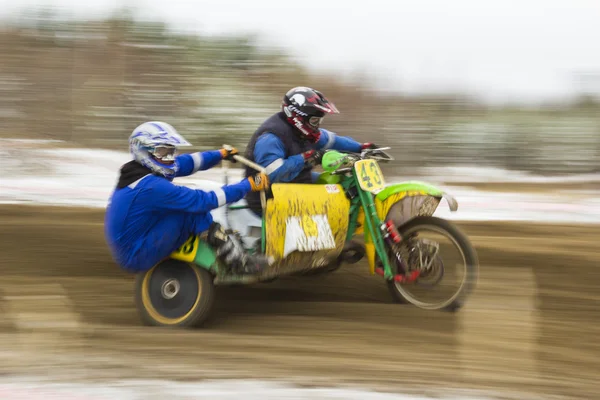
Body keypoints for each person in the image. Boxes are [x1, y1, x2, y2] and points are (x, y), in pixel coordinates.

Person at [104, 121, 270, 275]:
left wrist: (220, 154)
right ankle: (239, 263)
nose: (169, 158)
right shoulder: (151, 186)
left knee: (187, 207)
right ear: (143, 151)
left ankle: (224, 247)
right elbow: (203, 201)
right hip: (135, 254)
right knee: (193, 212)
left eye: (171, 151)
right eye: (163, 152)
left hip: (138, 238)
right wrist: (248, 185)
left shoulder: (144, 169)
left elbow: (189, 162)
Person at [243, 86, 378, 215]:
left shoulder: (304, 132)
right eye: (314, 120)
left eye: (319, 120)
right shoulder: (271, 138)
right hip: (267, 197)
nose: (317, 125)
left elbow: (332, 141)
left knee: (340, 185)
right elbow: (271, 174)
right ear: (297, 116)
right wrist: (306, 158)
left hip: (294, 184)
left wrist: (360, 147)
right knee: (330, 200)